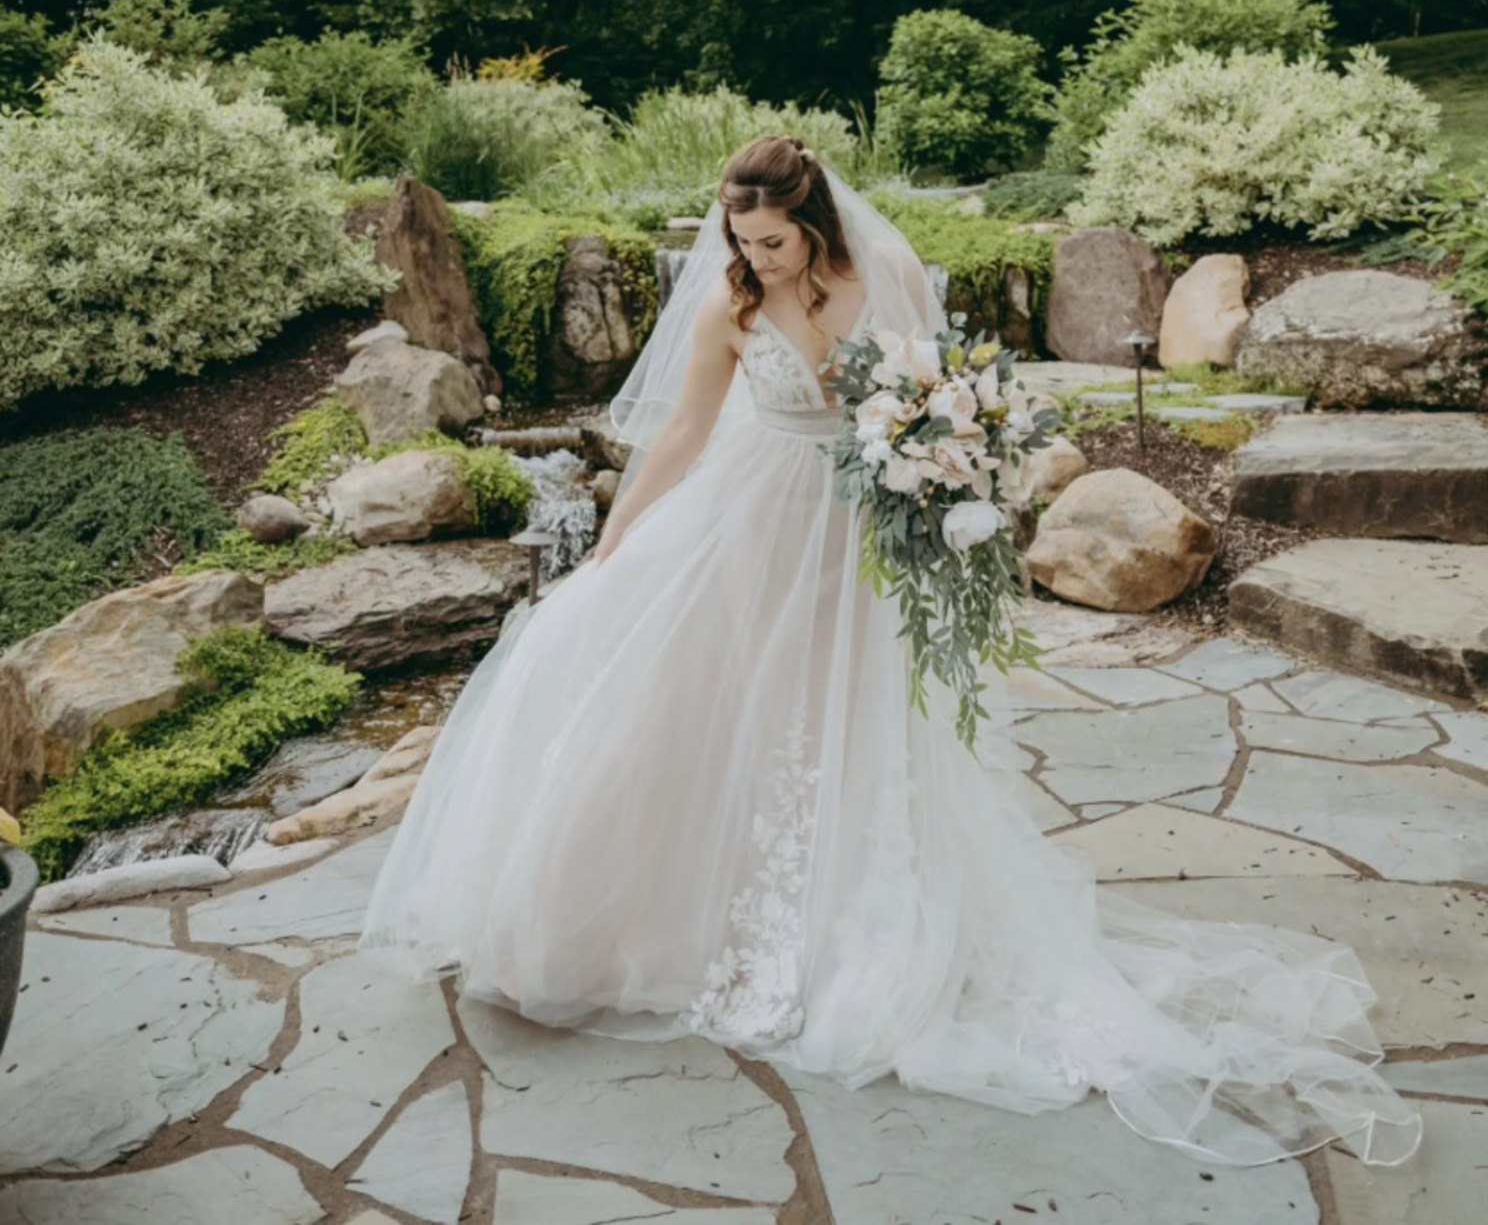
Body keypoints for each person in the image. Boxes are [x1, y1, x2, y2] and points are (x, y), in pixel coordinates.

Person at [358, 136, 1421, 1169]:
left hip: (863, 530)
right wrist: (618, 536)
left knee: (841, 716)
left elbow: (938, 397)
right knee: (695, 695)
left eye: (772, 241)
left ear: (813, 224)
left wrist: (948, 474)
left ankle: (842, 913)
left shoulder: (890, 273)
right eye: (743, 240)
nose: (755, 259)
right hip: (748, 518)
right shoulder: (730, 306)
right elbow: (682, 433)